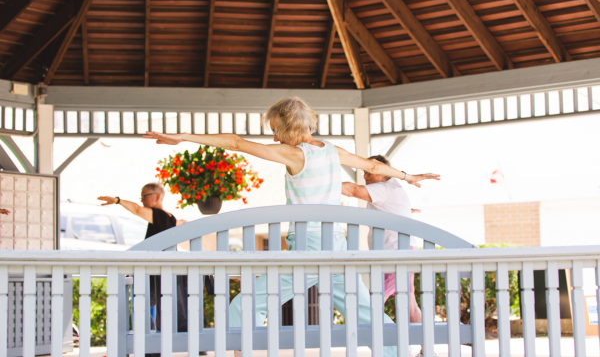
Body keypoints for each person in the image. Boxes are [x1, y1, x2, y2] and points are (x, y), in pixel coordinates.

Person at [143, 96, 440, 357]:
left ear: (287, 127)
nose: (274, 138)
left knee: (244, 305)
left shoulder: (293, 153)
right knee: (365, 312)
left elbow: (235, 142)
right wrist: (408, 176)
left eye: (275, 129)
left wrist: (181, 136)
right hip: (336, 243)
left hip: (309, 247)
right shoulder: (333, 151)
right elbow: (373, 167)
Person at [99, 183, 205, 357]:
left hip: (155, 271)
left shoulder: (158, 215)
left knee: (143, 305)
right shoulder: (169, 217)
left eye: (145, 195)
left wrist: (117, 200)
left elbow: (137, 209)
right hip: (164, 270)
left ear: (157, 196)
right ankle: (159, 344)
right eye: (141, 196)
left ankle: (150, 344)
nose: (142, 199)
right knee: (161, 306)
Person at [341, 154, 423, 324]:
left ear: (381, 172)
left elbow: (353, 190)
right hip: (405, 250)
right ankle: (426, 349)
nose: (364, 175)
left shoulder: (383, 188)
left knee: (374, 302)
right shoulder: (394, 187)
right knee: (410, 304)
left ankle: (388, 347)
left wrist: (322, 185)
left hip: (395, 254)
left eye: (368, 171)